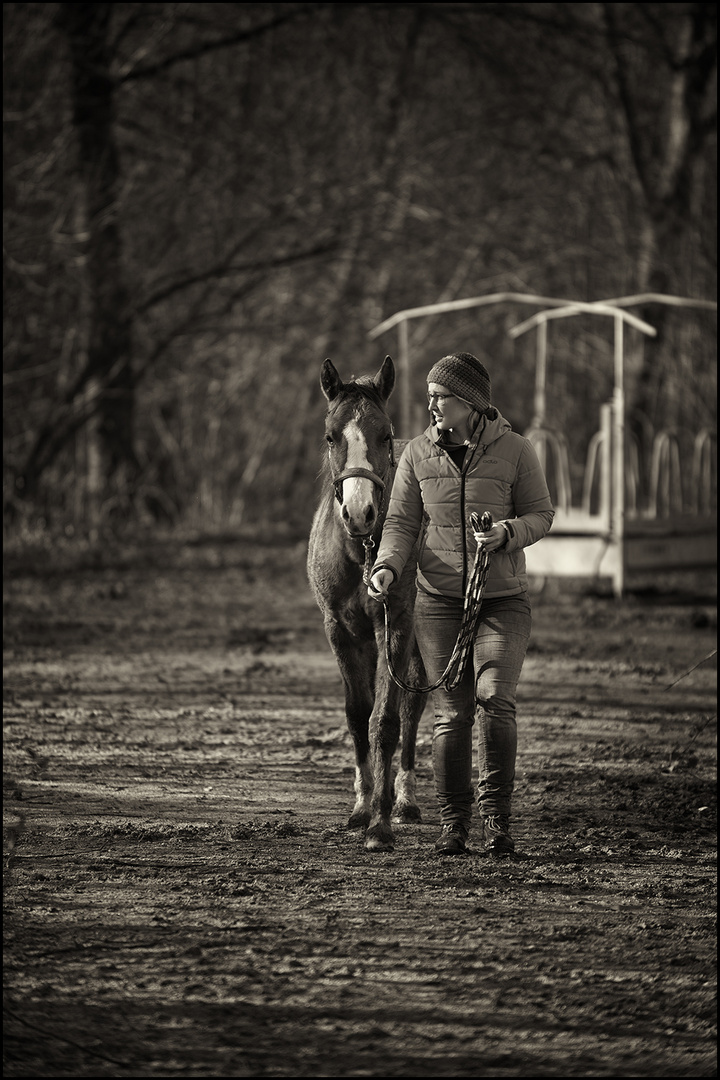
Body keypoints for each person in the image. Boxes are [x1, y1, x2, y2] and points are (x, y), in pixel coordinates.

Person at [368, 352, 554, 856]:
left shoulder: (516, 451)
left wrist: (508, 533)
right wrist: (386, 566)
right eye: (429, 397)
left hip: (502, 601)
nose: (431, 406)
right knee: (450, 713)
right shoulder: (415, 456)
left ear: (470, 402)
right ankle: (453, 824)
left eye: (440, 397)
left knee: (495, 699)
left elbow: (542, 514)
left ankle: (497, 819)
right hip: (439, 602)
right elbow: (402, 524)